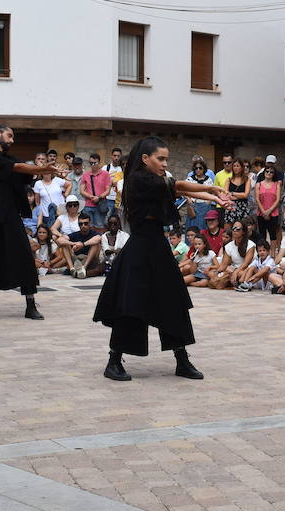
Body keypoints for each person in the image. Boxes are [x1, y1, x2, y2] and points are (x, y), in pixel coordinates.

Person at [94, 136, 229, 381]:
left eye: (166, 158)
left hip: (158, 247)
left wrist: (212, 193)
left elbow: (174, 186)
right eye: (161, 158)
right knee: (132, 305)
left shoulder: (155, 180)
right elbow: (176, 185)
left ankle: (181, 359)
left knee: (173, 302)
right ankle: (114, 361)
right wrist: (209, 190)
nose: (165, 163)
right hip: (139, 249)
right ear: (145, 159)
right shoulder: (137, 180)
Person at [0, 123, 66, 321]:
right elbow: (18, 167)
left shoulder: (8, 158)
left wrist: (50, 170)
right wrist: (43, 167)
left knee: (24, 256)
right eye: (10, 136)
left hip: (11, 215)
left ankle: (30, 305)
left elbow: (24, 172)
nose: (12, 140)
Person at [254, 162, 283, 244]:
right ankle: (263, 253)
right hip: (261, 212)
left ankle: (273, 254)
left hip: (273, 213)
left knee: (273, 234)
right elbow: (257, 199)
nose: (269, 173)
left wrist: (269, 211)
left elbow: (277, 199)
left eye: (271, 172)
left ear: (274, 174)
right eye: (267, 171)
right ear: (264, 172)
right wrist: (263, 211)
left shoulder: (277, 185)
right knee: (262, 234)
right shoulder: (258, 184)